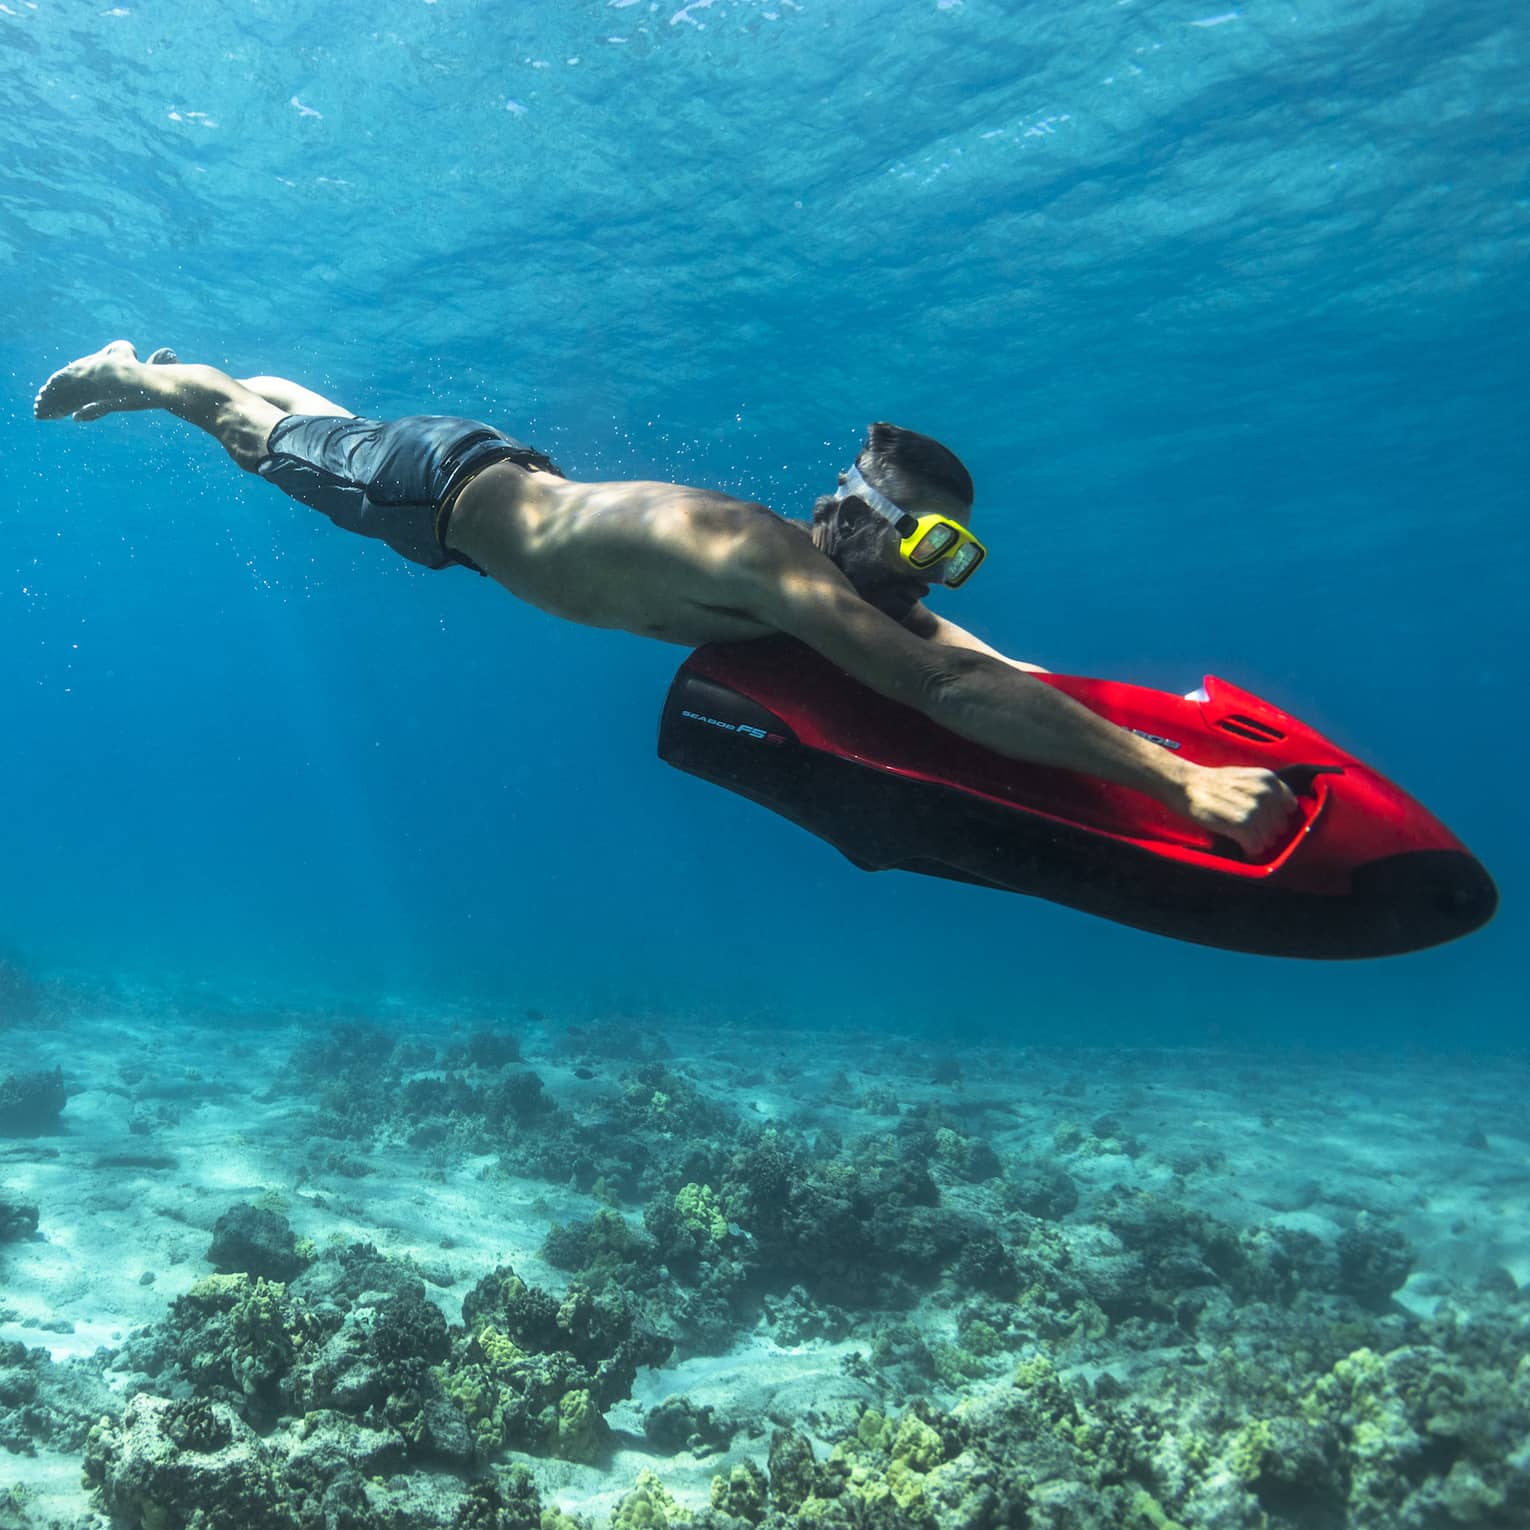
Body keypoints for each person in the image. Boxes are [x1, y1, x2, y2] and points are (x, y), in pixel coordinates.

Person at [34, 341, 1296, 857]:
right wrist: (1178, 783)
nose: (922, 573)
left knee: (314, 429)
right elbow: (940, 684)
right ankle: (148, 374)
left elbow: (965, 657)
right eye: (916, 538)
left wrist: (1127, 732)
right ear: (848, 512)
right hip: (438, 492)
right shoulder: (775, 563)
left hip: (482, 497)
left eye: (949, 553)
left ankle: (284, 391)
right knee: (253, 438)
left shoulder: (853, 585)